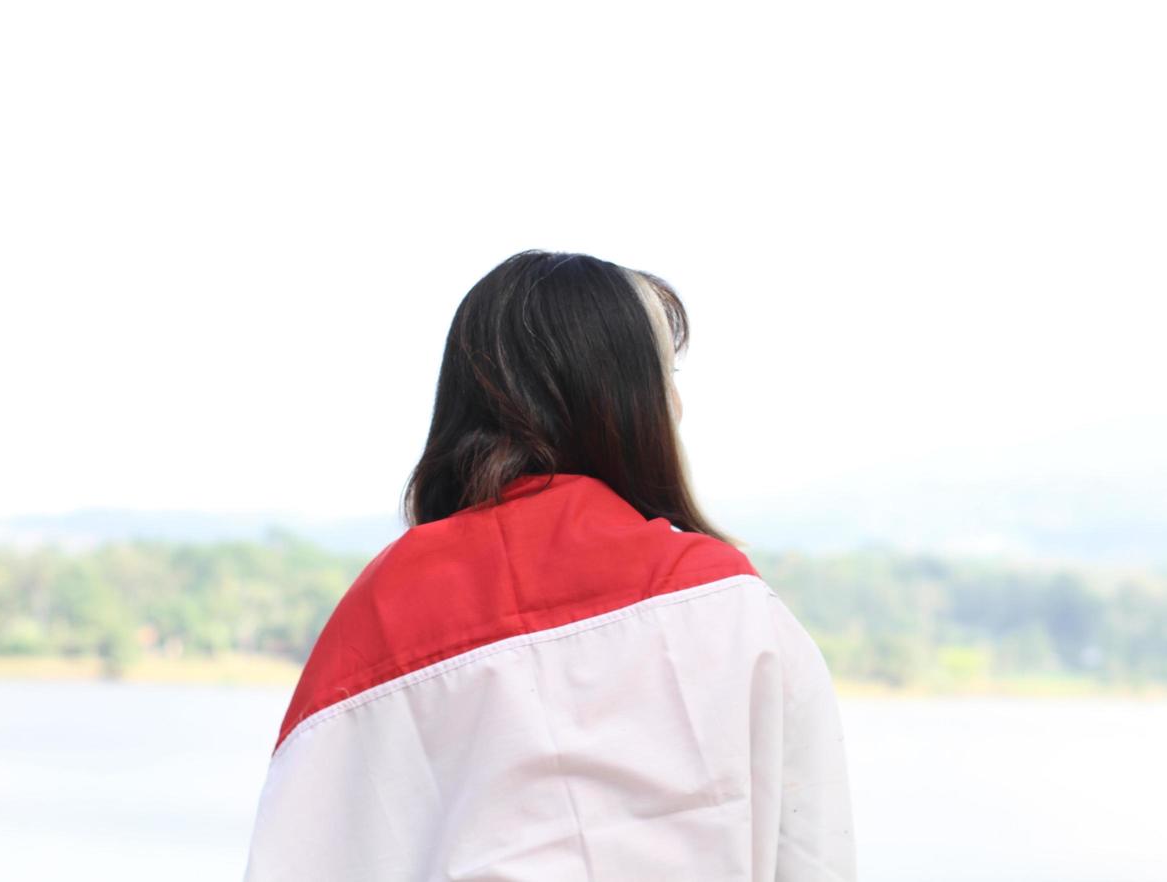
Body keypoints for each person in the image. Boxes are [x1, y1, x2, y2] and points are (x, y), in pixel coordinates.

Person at [241, 250, 857, 881]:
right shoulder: (727, 601)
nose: (678, 403)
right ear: (628, 401)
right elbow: (813, 852)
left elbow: (300, 855)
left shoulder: (381, 613)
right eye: (665, 374)